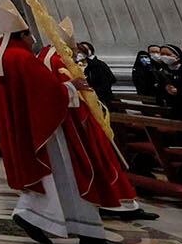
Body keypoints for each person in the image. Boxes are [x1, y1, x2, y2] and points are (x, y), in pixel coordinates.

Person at [0, 0, 125, 244]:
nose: (33, 39)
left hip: (32, 126)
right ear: (22, 35)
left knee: (55, 177)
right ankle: (47, 219)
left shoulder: (2, 56)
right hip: (48, 127)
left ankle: (42, 217)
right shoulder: (21, 57)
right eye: (30, 35)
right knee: (67, 173)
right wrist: (71, 87)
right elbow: (46, 91)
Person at [43, 18, 151, 223]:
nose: (75, 52)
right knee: (97, 159)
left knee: (103, 157)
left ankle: (120, 200)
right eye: (74, 48)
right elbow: (55, 90)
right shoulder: (56, 59)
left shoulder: (56, 57)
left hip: (84, 115)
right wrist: (75, 89)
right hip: (77, 119)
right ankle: (113, 201)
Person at [77, 41, 118, 112]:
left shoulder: (98, 65)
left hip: (100, 99)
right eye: (78, 51)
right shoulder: (76, 66)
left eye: (82, 51)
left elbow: (109, 81)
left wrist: (94, 91)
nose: (79, 54)